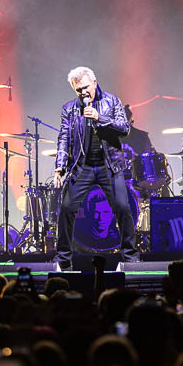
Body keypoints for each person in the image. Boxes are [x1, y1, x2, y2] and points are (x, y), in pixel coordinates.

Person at [52, 67, 139, 269]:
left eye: (85, 87)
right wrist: (59, 168)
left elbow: (124, 129)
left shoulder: (112, 101)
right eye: (78, 90)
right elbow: (64, 137)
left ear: (95, 82)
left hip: (110, 165)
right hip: (82, 166)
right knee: (66, 209)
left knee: (123, 207)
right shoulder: (69, 109)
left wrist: (100, 117)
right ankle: (63, 258)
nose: (83, 92)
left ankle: (130, 257)